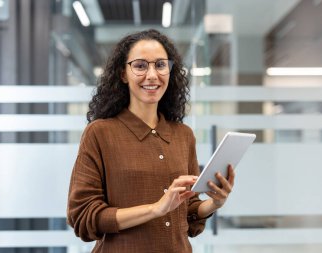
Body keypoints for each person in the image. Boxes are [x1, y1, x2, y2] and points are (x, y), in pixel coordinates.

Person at [66, 29, 235, 253]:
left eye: (160, 65)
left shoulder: (184, 135)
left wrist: (214, 202)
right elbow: (83, 215)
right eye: (140, 66)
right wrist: (156, 209)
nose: (152, 75)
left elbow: (187, 209)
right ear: (123, 74)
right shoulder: (99, 133)